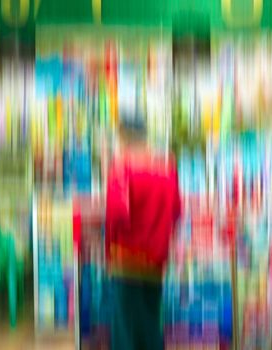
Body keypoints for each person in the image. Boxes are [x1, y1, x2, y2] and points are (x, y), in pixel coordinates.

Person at [106, 114, 182, 350]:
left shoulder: (122, 168)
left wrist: (108, 243)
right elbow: (177, 210)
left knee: (125, 325)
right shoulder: (166, 165)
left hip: (127, 258)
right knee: (150, 321)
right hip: (157, 258)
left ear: (123, 137)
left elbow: (117, 214)